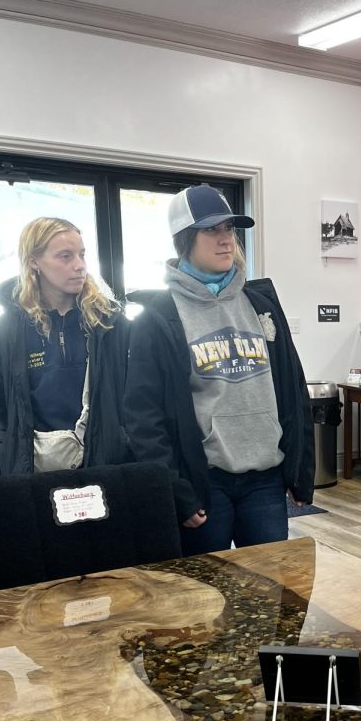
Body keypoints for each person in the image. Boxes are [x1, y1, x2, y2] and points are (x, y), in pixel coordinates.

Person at [124, 185, 314, 555]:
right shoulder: (159, 318)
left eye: (229, 229)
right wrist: (176, 490)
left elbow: (292, 389)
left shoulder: (260, 305)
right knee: (206, 600)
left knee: (268, 593)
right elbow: (143, 418)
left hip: (265, 480)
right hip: (204, 484)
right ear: (185, 239)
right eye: (212, 230)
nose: (226, 240)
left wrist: (300, 469)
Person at [0, 217, 130, 477]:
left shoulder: (110, 325)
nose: (79, 266)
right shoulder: (5, 332)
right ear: (34, 262)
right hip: (31, 473)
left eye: (82, 255)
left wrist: (125, 443)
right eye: (65, 256)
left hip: (105, 468)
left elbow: (138, 396)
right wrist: (1, 455)